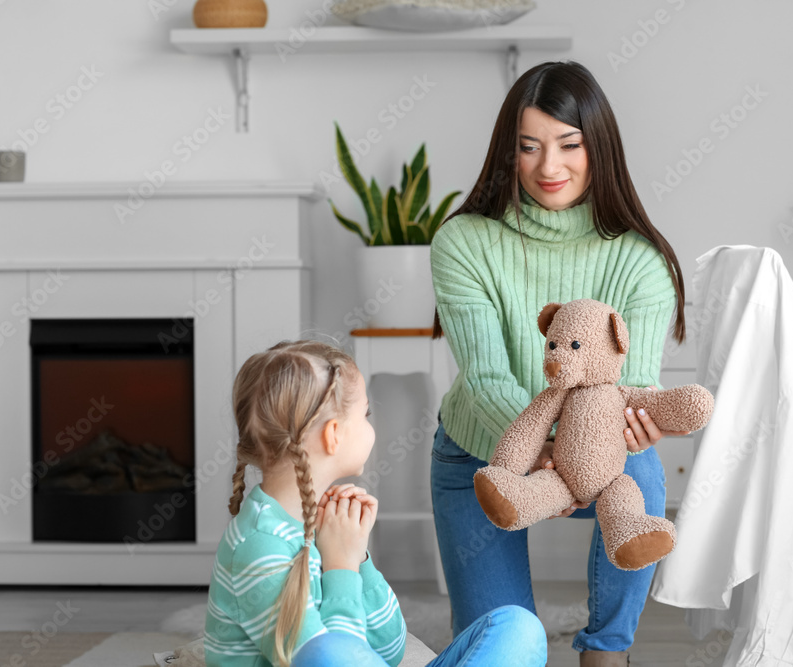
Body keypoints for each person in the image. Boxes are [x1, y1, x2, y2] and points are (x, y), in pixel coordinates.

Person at [429, 61, 689, 667]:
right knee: (501, 643)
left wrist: (626, 425)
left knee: (643, 476)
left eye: (569, 145)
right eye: (529, 147)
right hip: (480, 452)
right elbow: (488, 379)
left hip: (598, 456)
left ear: (598, 147)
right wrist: (546, 448)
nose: (549, 167)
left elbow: (635, 386)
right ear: (507, 153)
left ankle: (606, 652)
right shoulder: (464, 242)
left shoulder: (639, 261)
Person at [204, 339, 548, 667]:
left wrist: (359, 559)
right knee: (328, 650)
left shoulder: (327, 522)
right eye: (365, 414)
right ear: (333, 435)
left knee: (519, 627)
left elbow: (391, 649)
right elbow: (330, 659)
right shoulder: (260, 545)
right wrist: (340, 566)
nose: (370, 426)